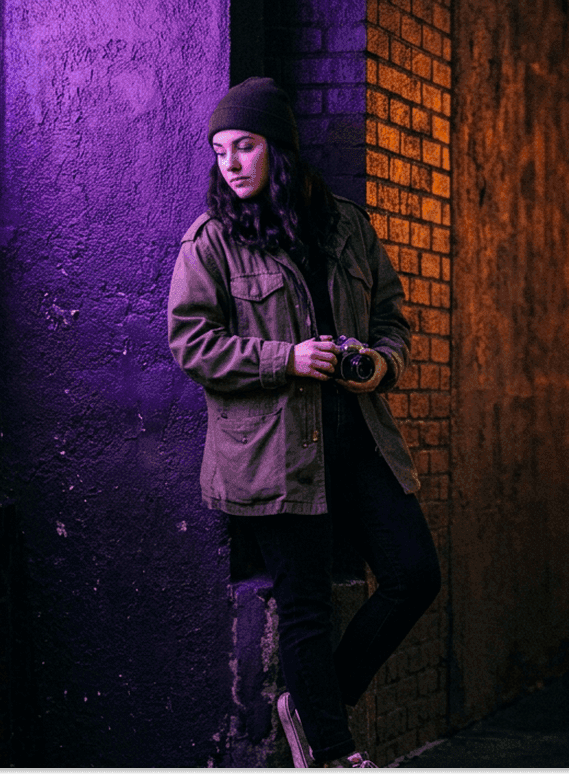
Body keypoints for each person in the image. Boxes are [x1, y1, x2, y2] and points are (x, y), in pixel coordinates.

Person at [167, 77, 441, 769]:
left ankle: (315, 700)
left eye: (245, 147)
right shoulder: (212, 240)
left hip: (357, 439)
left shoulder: (345, 224)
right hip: (272, 452)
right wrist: (283, 358)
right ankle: (332, 750)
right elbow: (190, 342)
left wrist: (381, 364)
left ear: (279, 149)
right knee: (306, 607)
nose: (230, 164)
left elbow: (392, 320)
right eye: (220, 150)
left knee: (415, 574)